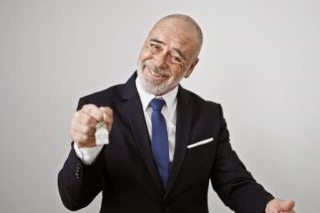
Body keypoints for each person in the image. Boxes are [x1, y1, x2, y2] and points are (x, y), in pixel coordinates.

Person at [58, 14, 295, 213]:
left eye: (176, 56)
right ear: (144, 44)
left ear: (191, 68)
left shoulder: (208, 115)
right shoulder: (101, 109)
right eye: (155, 46)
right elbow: (74, 200)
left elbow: (233, 182)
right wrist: (86, 151)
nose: (159, 62)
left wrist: (266, 206)